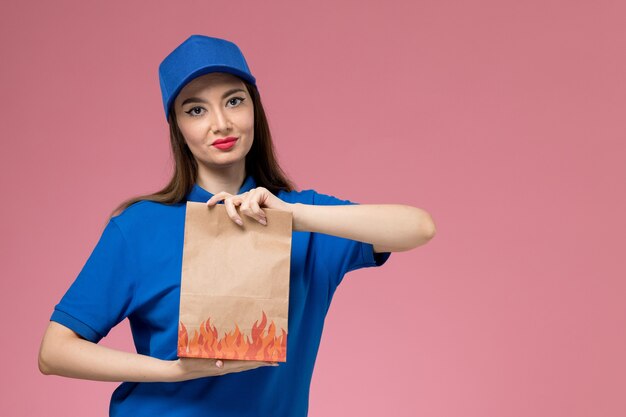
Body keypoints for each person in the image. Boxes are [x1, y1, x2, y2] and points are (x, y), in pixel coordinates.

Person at [38, 34, 436, 417]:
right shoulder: (140, 227)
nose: (221, 123)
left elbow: (418, 227)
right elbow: (54, 352)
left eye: (234, 101)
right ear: (177, 127)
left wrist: (290, 216)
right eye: (196, 110)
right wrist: (174, 370)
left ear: (254, 109)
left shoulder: (303, 218)